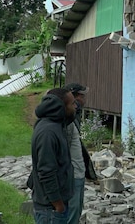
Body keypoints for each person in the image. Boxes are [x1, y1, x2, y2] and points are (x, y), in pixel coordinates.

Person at [28, 87, 77, 224]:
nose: (76, 106)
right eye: (72, 104)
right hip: (51, 210)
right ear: (62, 107)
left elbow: (69, 118)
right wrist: (58, 205)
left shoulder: (55, 125)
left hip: (54, 208)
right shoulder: (48, 133)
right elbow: (46, 172)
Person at [62, 83, 97, 224]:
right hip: (71, 175)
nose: (83, 100)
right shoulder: (66, 121)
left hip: (77, 173)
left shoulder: (74, 116)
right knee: (71, 213)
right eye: (81, 96)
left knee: (75, 213)